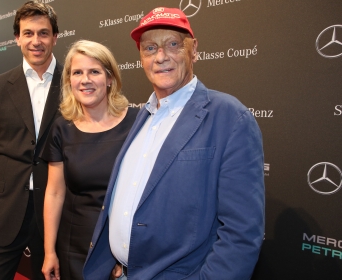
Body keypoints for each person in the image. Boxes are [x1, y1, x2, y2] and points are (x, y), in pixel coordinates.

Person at [84, 7, 265, 280]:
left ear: (194, 50)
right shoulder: (143, 115)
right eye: (150, 48)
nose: (161, 57)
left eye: (173, 44)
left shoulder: (229, 117)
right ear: (141, 58)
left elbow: (242, 232)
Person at [0, 2, 61, 279]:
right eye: (28, 33)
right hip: (4, 210)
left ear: (55, 37)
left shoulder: (74, 83)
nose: (36, 41)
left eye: (43, 33)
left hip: (56, 211)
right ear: (17, 38)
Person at [40, 40, 138, 280]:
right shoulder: (61, 128)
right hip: (75, 245)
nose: (85, 79)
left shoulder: (138, 123)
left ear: (110, 78)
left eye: (94, 71)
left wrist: (126, 253)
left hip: (124, 245)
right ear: (69, 81)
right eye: (77, 72)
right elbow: (54, 193)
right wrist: (49, 251)